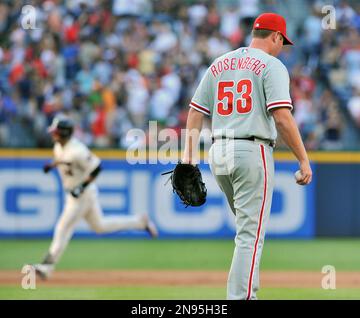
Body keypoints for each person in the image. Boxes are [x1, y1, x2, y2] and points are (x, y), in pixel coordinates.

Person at [182, 13, 312, 300]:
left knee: (246, 232)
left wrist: (189, 159)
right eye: (282, 41)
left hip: (219, 152)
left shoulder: (220, 63)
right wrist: (303, 159)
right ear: (276, 36)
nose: (282, 47)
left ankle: (245, 294)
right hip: (251, 150)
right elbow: (282, 117)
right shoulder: (271, 65)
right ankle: (240, 298)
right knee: (250, 236)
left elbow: (194, 112)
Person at [33, 116, 158, 280]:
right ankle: (140, 222)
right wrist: (52, 164)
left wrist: (81, 187)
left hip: (82, 196)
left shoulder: (77, 150)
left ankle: (46, 266)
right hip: (76, 194)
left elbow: (97, 168)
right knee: (100, 226)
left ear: (64, 133)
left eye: (56, 132)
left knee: (62, 228)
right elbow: (63, 159)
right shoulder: (59, 146)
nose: (53, 134)